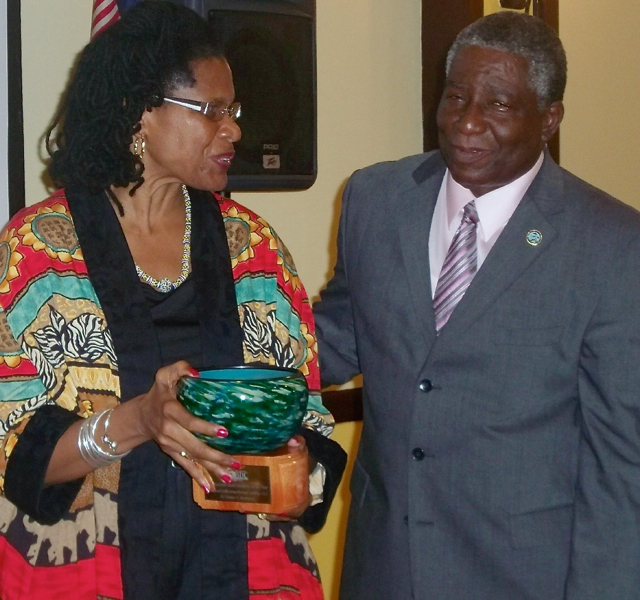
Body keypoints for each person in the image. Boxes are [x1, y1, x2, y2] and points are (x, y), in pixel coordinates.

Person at [0, 2, 345, 599]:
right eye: (209, 110)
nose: (233, 128)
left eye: (231, 110)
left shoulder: (253, 247)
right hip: (86, 570)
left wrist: (287, 471)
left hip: (245, 572)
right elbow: (14, 450)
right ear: (140, 114)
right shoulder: (36, 253)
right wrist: (137, 421)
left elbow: (308, 430)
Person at [314, 11, 640, 600]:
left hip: (520, 575)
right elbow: (338, 336)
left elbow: (622, 467)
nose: (466, 122)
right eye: (456, 96)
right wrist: (212, 344)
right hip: (385, 566)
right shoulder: (375, 199)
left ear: (549, 119)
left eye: (498, 105)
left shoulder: (612, 245)